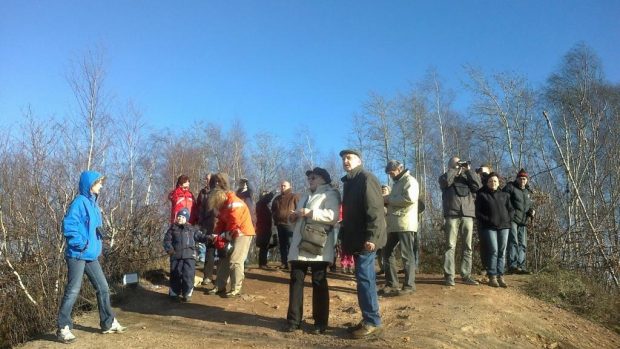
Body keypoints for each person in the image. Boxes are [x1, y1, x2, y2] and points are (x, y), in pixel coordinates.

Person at [56, 171, 126, 343]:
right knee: (73, 290)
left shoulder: (93, 203)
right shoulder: (80, 201)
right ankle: (63, 327)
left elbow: (92, 227)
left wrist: (99, 237)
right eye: (98, 182)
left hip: (90, 255)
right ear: (90, 185)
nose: (101, 185)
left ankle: (108, 323)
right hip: (78, 254)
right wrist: (82, 244)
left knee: (103, 287)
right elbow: (69, 225)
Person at [285, 167, 340, 334]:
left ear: (323, 179)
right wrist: (293, 217)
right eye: (309, 177)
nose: (310, 179)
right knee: (296, 280)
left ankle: (320, 323)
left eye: (313, 177)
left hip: (318, 244)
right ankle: (294, 321)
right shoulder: (304, 196)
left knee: (319, 282)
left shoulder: (330, 194)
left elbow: (332, 216)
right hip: (299, 244)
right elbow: (298, 221)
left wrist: (309, 212)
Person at [339, 149, 386, 339]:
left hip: (366, 240)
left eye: (349, 158)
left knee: (365, 280)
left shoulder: (366, 178)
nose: (345, 161)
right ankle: (369, 318)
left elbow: (375, 210)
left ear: (359, 160)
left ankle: (372, 322)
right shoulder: (350, 182)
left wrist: (372, 238)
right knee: (364, 280)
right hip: (357, 239)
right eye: (343, 159)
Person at [439, 157, 482, 286]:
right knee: (450, 246)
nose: (459, 165)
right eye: (456, 163)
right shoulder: (444, 177)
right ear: (450, 165)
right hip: (452, 214)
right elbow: (446, 182)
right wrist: (454, 169)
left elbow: (478, 186)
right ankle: (449, 276)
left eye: (460, 163)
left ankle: (466, 275)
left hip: (468, 214)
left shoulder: (467, 177)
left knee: (468, 246)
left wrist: (469, 171)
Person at [207, 184, 255, 298]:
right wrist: (216, 233)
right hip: (232, 233)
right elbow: (222, 222)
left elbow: (235, 221)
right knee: (224, 259)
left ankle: (235, 288)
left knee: (235, 260)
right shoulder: (224, 205)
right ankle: (219, 286)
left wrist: (224, 235)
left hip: (243, 233)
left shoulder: (233, 202)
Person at [380, 160, 419, 296]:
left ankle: (409, 286)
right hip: (394, 224)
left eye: (392, 172)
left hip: (406, 224)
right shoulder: (396, 183)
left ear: (400, 168)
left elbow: (409, 198)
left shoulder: (410, 180)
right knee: (387, 251)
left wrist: (389, 199)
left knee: (407, 255)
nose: (390, 175)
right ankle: (392, 284)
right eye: (389, 173)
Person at [475, 173, 514, 287]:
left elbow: (511, 209)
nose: (493, 183)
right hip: (489, 227)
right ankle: (492, 276)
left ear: (499, 183)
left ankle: (500, 276)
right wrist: (488, 220)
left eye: (495, 181)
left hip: (504, 227)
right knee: (494, 250)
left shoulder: (505, 195)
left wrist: (508, 219)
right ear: (487, 183)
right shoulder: (482, 195)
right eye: (491, 181)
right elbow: (478, 212)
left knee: (502, 252)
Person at [163, 208, 211, 301]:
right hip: (176, 256)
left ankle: (187, 293)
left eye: (182, 217)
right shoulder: (172, 229)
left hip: (189, 256)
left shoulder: (192, 229)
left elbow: (201, 237)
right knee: (175, 274)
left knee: (188, 275)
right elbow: (166, 241)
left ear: (186, 219)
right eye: (179, 216)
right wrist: (170, 250)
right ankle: (174, 293)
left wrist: (208, 237)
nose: (180, 218)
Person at [197, 173, 230, 286]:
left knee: (222, 251)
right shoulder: (207, 194)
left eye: (218, 181)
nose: (216, 183)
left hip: (222, 226)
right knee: (209, 251)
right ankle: (207, 276)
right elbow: (202, 210)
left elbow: (229, 211)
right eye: (214, 181)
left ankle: (223, 277)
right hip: (209, 226)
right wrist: (201, 223)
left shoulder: (226, 195)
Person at [503, 168, 535, 274]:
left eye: (524, 179)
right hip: (513, 219)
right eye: (521, 178)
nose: (522, 180)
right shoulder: (511, 187)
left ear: (527, 180)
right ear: (517, 179)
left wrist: (532, 211)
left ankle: (521, 266)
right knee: (513, 242)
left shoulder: (528, 191)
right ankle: (512, 265)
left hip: (523, 221)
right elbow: (504, 200)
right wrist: (510, 211)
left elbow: (530, 205)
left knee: (523, 244)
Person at [271, 181, 300, 270]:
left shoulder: (294, 196)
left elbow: (299, 209)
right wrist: (275, 218)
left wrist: (295, 218)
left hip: (290, 224)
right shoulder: (277, 198)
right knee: (282, 245)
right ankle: (284, 263)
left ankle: (293, 263)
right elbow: (273, 210)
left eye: (284, 186)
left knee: (291, 244)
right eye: (281, 186)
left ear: (289, 186)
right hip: (280, 224)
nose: (282, 187)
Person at [255, 190, 276, 269]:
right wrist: (272, 193)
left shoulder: (264, 205)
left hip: (266, 228)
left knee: (266, 246)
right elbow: (266, 199)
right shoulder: (260, 203)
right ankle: (262, 264)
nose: (266, 196)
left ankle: (264, 263)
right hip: (262, 228)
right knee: (264, 246)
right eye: (265, 195)